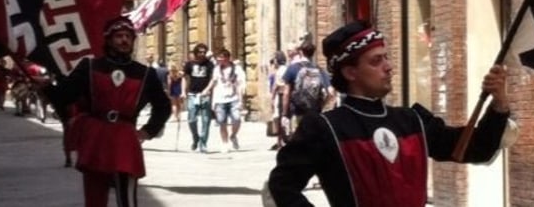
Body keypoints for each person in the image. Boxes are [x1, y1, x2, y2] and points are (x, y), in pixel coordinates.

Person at [268, 21, 514, 206]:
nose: (389, 67)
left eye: (386, 58)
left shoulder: (412, 120)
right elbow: (281, 187)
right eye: (376, 61)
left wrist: (499, 103)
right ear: (350, 72)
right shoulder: (325, 128)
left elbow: (476, 148)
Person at [44, 16, 171, 207]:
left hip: (125, 139)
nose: (124, 40)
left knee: (127, 200)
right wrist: (46, 88)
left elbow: (163, 106)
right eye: (119, 36)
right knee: (94, 197)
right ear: (109, 40)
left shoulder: (145, 73)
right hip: (96, 137)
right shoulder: (90, 67)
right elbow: (65, 96)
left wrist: (148, 130)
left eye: (128, 36)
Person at [281, 39, 331, 136]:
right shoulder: (319, 70)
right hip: (315, 113)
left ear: (300, 52)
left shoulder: (292, 68)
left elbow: (286, 94)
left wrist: (284, 114)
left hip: (297, 112)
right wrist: (322, 105)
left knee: (298, 142)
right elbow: (331, 92)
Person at [200, 49, 246, 153]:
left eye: (221, 57)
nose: (218, 59)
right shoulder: (217, 69)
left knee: (237, 119)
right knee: (222, 122)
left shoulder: (236, 69)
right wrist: (206, 89)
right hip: (220, 99)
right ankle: (224, 143)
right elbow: (213, 80)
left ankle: (233, 135)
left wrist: (241, 100)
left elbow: (240, 85)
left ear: (227, 58)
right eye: (218, 57)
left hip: (233, 98)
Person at [181, 43, 214, 153]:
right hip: (192, 94)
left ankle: (203, 143)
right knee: (191, 119)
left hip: (205, 95)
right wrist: (183, 92)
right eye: (200, 52)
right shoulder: (189, 64)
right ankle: (195, 137)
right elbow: (185, 78)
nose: (202, 54)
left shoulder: (209, 64)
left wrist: (208, 90)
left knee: (206, 120)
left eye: (204, 52)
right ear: (195, 53)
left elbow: (212, 79)